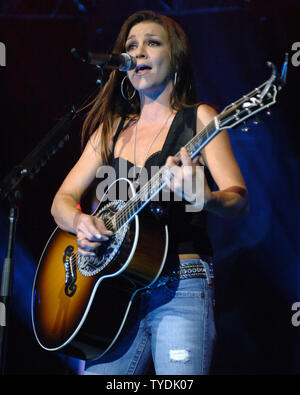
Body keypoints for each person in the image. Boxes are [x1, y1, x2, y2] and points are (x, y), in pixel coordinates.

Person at [51, 10, 248, 375]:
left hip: (181, 284)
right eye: (131, 47)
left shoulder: (200, 119)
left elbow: (238, 199)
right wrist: (82, 221)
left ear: (175, 60)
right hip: (115, 291)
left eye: (152, 43)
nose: (138, 52)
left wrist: (205, 198)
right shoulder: (110, 130)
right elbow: (61, 202)